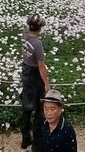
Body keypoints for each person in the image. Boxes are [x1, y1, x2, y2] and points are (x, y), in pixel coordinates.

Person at [20, 14, 52, 150]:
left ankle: (25, 138)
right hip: (35, 74)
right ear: (39, 28)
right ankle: (37, 139)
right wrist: (46, 83)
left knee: (27, 107)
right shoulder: (37, 44)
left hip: (26, 71)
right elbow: (41, 66)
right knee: (40, 108)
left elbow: (28, 29)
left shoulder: (25, 35)